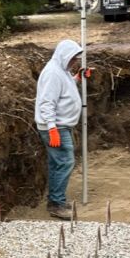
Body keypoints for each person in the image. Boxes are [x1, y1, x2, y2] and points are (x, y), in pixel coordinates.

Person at [35, 38, 83, 220]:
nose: (75, 62)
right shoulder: (53, 73)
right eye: (73, 59)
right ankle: (56, 203)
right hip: (55, 127)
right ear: (64, 56)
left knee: (58, 162)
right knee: (65, 161)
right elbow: (47, 103)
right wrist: (52, 128)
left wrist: (77, 78)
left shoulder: (61, 70)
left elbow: (64, 89)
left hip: (60, 125)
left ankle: (56, 199)